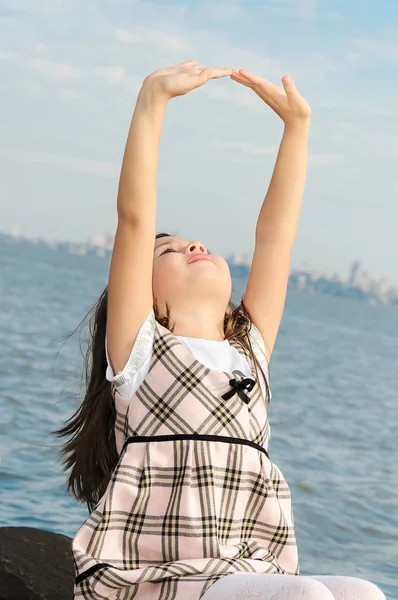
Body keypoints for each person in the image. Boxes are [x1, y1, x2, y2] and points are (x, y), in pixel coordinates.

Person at [55, 61, 386, 600]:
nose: (192, 245)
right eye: (169, 249)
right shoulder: (141, 352)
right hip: (155, 577)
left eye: (195, 241)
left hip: (242, 568)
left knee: (363, 593)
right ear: (145, 292)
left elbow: (276, 239)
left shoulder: (249, 352)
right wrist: (151, 100)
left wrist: (297, 130)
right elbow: (135, 218)